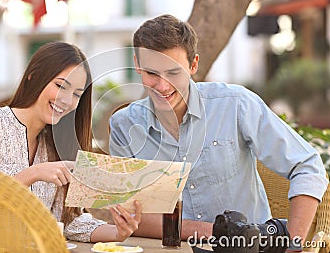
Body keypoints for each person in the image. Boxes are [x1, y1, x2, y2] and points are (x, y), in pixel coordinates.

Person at [109, 14, 328, 243]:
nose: (163, 86)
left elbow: (307, 165)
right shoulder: (124, 126)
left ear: (193, 64)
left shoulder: (236, 105)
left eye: (174, 73)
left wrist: (293, 243)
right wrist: (216, 232)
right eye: (152, 73)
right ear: (137, 65)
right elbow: (130, 216)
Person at [0, 41, 141, 243]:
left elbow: (69, 222)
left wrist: (117, 232)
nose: (67, 101)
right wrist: (32, 174)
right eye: (61, 86)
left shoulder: (55, 143)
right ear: (33, 76)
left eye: (77, 94)